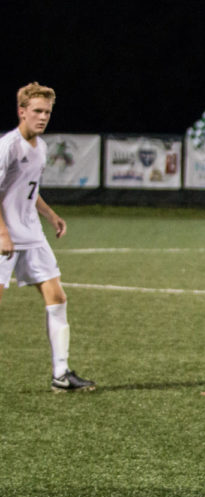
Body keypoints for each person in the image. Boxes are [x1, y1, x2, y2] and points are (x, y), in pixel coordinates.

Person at [0, 82, 95, 392]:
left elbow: (29, 190)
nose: (42, 117)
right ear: (21, 111)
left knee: (57, 298)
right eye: (37, 111)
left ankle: (61, 373)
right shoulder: (8, 146)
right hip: (5, 237)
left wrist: (50, 215)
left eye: (47, 112)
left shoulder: (39, 147)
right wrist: (2, 232)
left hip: (31, 235)